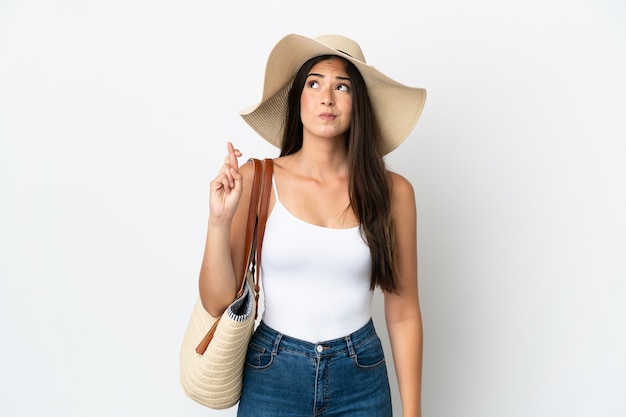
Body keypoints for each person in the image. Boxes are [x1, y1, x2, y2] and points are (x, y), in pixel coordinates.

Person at [199, 33, 426, 416]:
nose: (327, 97)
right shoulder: (257, 178)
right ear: (298, 99)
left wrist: (413, 412)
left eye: (342, 86)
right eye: (314, 83)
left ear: (358, 105)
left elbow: (403, 311)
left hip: (361, 375)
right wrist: (219, 221)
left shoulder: (393, 192)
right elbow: (216, 300)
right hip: (273, 372)